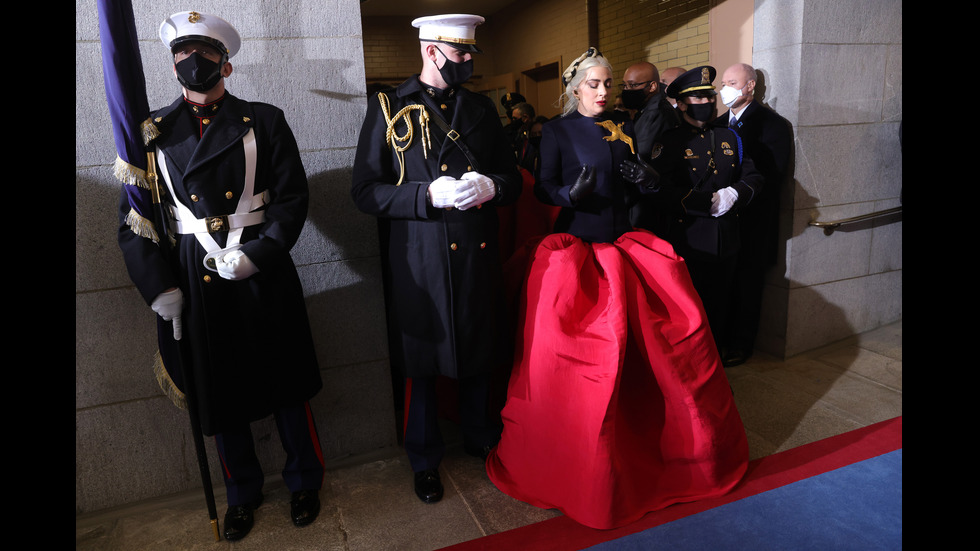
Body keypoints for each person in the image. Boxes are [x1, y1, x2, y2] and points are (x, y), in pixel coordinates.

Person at [485, 48, 749, 530]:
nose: (603, 92)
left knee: (649, 352)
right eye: (594, 85)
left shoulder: (625, 128)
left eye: (608, 84)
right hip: (578, 254)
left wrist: (648, 181)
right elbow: (543, 188)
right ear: (575, 88)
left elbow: (641, 190)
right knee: (579, 361)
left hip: (625, 248)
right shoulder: (560, 132)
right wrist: (570, 194)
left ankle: (650, 443)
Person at [117, 11, 324, 541]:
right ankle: (242, 492)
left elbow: (293, 200)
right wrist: (157, 286)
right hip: (196, 272)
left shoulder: (265, 119)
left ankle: (304, 479)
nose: (191, 64)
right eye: (181, 55)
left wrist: (262, 252)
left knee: (285, 380)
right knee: (218, 389)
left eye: (203, 55)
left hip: (260, 267)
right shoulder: (153, 133)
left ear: (225, 64)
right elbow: (136, 218)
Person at [350, 14, 522, 505]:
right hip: (420, 258)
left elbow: (510, 179)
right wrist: (426, 196)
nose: (468, 62)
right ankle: (423, 457)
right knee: (421, 360)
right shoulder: (388, 106)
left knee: (477, 344)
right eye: (460, 54)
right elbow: (364, 192)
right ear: (431, 51)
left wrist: (492, 186)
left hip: (475, 250)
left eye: (470, 54)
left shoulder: (482, 109)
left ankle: (478, 433)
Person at [646, 66, 765, 354]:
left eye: (710, 97)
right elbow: (658, 190)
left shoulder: (729, 138)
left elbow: (755, 177)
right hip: (688, 237)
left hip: (726, 237)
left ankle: (718, 358)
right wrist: (702, 203)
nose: (709, 103)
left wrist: (733, 192)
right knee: (688, 307)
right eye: (699, 99)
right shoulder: (669, 142)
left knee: (721, 302)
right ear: (683, 104)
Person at [713, 63, 793, 367]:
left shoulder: (772, 124)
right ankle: (719, 339)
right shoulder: (719, 124)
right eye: (723, 82)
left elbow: (773, 177)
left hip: (752, 221)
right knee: (723, 285)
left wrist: (737, 195)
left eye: (732, 82)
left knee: (747, 286)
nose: (725, 89)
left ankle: (740, 345)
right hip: (721, 221)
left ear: (750, 86)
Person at [621, 61, 679, 230]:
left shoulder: (657, 113)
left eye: (632, 85)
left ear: (653, 86)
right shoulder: (646, 111)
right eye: (624, 85)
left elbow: (639, 156)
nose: (626, 91)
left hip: (647, 204)